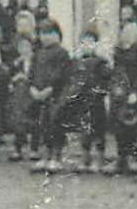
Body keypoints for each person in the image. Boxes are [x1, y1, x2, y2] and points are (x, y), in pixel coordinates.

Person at [56, 30, 112, 173]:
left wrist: (100, 92)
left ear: (96, 44)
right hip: (82, 102)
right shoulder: (76, 62)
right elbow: (71, 80)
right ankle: (85, 158)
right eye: (84, 42)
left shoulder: (101, 62)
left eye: (91, 42)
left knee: (99, 131)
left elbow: (107, 81)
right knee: (84, 131)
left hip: (97, 102)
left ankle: (100, 159)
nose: (87, 46)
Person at [107, 20, 137, 174]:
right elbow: (116, 73)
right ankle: (122, 157)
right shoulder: (118, 53)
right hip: (121, 93)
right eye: (125, 33)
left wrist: (136, 91)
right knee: (120, 126)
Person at [28, 20, 73, 172]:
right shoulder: (38, 54)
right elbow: (32, 73)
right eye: (43, 34)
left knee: (56, 125)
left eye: (50, 34)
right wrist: (33, 88)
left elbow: (61, 75)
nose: (46, 37)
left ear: (58, 35)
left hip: (56, 96)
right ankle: (45, 156)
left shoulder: (62, 53)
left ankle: (56, 156)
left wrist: (50, 89)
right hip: (39, 96)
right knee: (42, 126)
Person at [6, 33, 37, 162]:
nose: (24, 49)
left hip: (32, 93)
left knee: (34, 120)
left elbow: (40, 77)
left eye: (26, 46)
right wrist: (15, 78)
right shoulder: (15, 63)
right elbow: (8, 79)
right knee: (18, 120)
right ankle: (18, 148)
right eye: (21, 47)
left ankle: (34, 149)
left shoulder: (36, 61)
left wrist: (28, 79)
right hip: (19, 95)